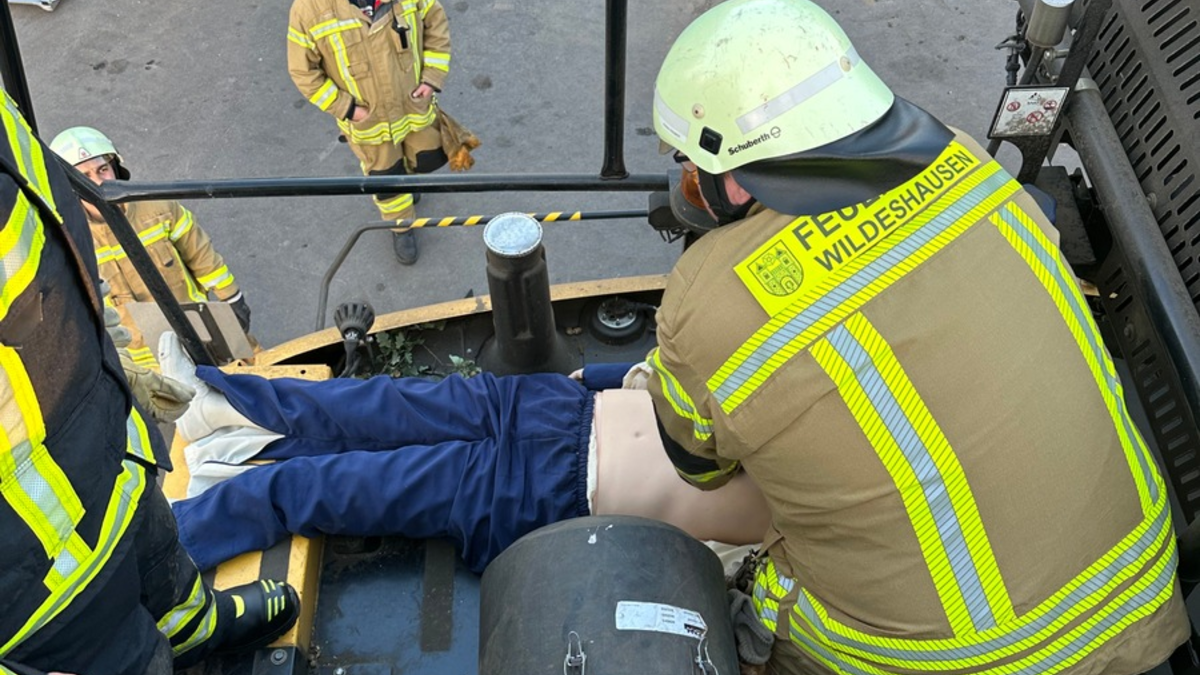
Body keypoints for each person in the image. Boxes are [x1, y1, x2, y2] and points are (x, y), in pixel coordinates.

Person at [645, 2, 1188, 674]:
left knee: (760, 609)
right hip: (1138, 587)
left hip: (962, 658)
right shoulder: (962, 158)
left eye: (690, 163)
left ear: (732, 178)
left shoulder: (706, 299)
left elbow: (700, 469)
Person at [0, 91, 298, 675]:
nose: (98, 181)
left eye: (103, 169)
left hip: (107, 451)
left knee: (164, 568)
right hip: (39, 579)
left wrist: (115, 366)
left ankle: (195, 627)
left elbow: (51, 260)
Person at [156, 333, 770, 574]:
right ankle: (221, 410)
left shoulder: (808, 544)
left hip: (550, 494)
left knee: (351, 486)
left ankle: (164, 545)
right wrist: (611, 377)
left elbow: (701, 569)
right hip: (560, 409)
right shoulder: (814, 416)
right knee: (379, 405)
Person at [49, 126, 257, 370]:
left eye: (102, 169)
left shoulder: (158, 208)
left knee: (260, 374)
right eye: (84, 176)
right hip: (141, 364)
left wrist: (232, 299)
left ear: (116, 168)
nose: (97, 183)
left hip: (201, 334)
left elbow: (202, 257)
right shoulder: (70, 239)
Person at [287, 0, 453, 265]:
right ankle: (401, 227)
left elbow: (436, 25)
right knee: (386, 178)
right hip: (369, 126)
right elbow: (303, 73)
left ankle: (410, 185)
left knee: (423, 157)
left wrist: (431, 77)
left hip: (413, 107)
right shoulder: (308, 9)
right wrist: (348, 109)